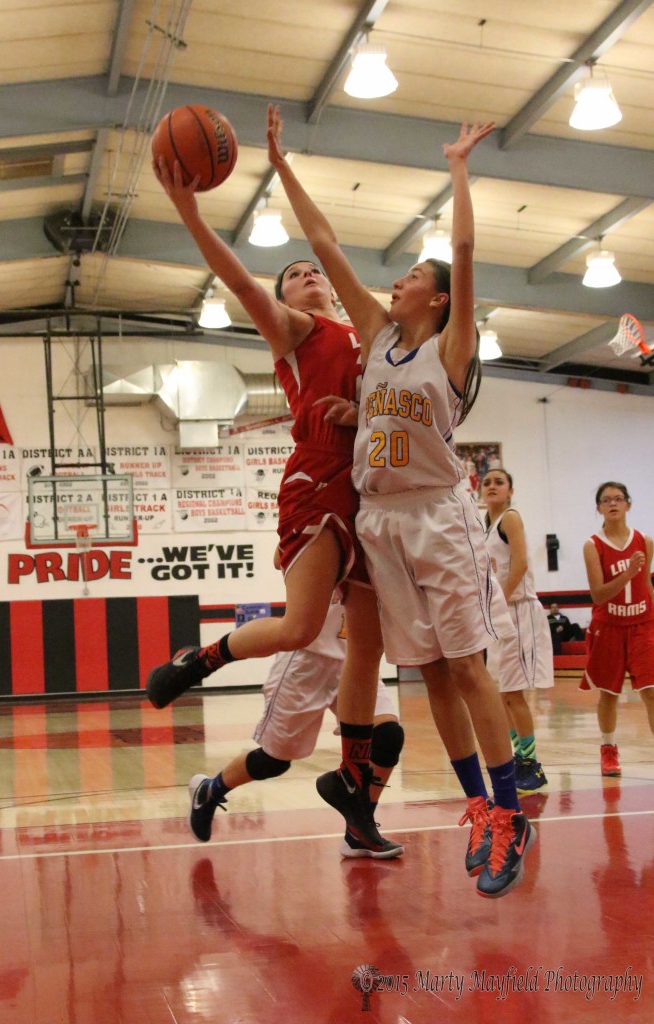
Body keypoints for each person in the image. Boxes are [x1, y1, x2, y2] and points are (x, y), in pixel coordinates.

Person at [267, 104, 536, 898]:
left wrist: (457, 167)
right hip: (380, 520)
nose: (402, 277)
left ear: (440, 300)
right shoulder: (378, 331)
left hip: (434, 512)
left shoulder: (449, 347)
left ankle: (509, 811)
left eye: (416, 276)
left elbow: (460, 247)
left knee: (467, 667)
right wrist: (280, 166)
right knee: (429, 678)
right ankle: (478, 810)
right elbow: (323, 246)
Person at [146, 145, 400, 857]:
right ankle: (197, 662)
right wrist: (189, 213)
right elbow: (236, 279)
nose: (308, 275)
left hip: (371, 490)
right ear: (284, 300)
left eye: (312, 269)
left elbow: (334, 247)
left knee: (369, 648)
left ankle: (354, 798)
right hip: (318, 479)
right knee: (300, 626)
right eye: (292, 275)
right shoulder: (297, 330)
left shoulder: (369, 329)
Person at [188, 592, 405, 859]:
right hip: (306, 660)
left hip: (355, 657)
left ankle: (359, 829)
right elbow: (281, 559)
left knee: (387, 737)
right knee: (274, 761)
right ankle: (210, 790)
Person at [480, 467, 553, 794]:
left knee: (514, 693)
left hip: (519, 610)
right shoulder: (485, 526)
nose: (492, 486)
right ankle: (517, 758)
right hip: (501, 614)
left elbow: (520, 563)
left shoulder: (510, 518)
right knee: (499, 694)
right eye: (487, 482)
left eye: (499, 482)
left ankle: (531, 763)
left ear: (510, 491)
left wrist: (499, 604)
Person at [580, 481, 654, 777]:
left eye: (618, 499)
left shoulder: (645, 541)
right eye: (606, 500)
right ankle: (609, 750)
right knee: (609, 693)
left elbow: (646, 584)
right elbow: (598, 594)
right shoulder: (592, 544)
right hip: (609, 626)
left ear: (628, 505)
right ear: (598, 507)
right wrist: (627, 574)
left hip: (642, 623)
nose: (613, 504)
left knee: (651, 691)